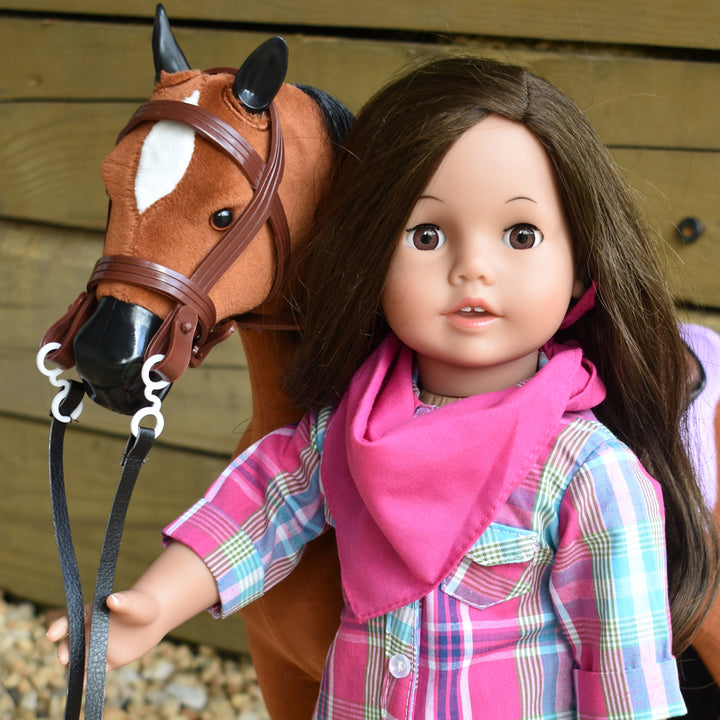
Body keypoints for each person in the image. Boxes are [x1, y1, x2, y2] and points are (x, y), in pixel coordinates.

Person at [49, 55, 719, 718]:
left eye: (522, 235)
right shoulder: (352, 426)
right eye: (427, 234)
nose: (473, 269)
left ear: (580, 267)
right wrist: (155, 605)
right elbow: (261, 507)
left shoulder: (591, 475)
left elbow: (624, 671)